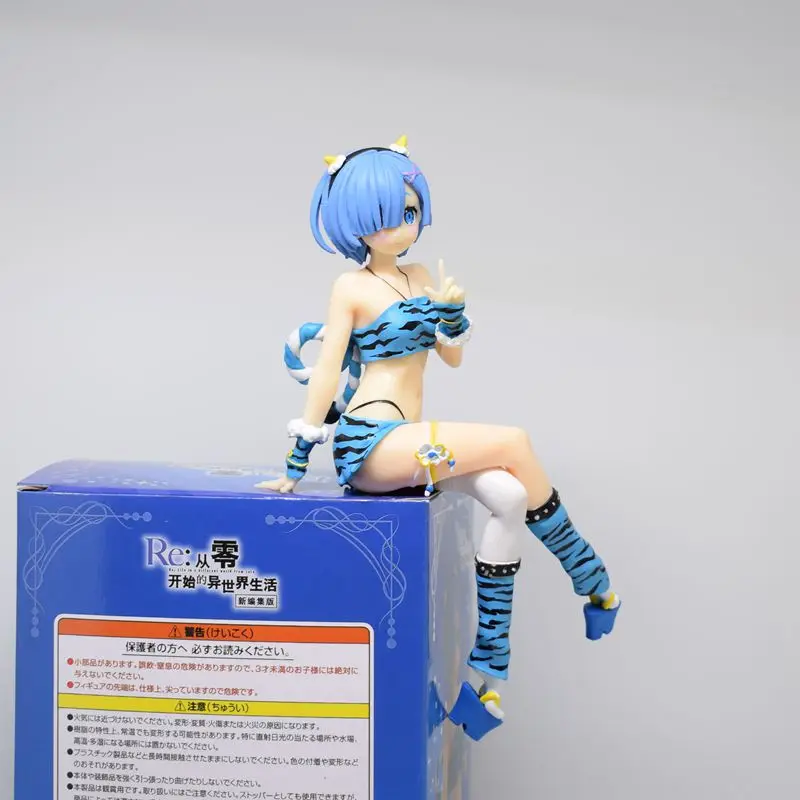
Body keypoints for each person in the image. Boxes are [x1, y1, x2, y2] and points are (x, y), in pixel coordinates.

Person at [257, 136, 620, 739]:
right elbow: (327, 373)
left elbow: (449, 358)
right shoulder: (351, 287)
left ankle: (487, 677)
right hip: (371, 443)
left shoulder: (422, 275)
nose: (404, 225)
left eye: (410, 211)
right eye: (387, 215)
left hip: (409, 439)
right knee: (514, 441)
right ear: (355, 221)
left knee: (509, 497)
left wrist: (451, 315)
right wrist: (297, 459)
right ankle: (590, 575)